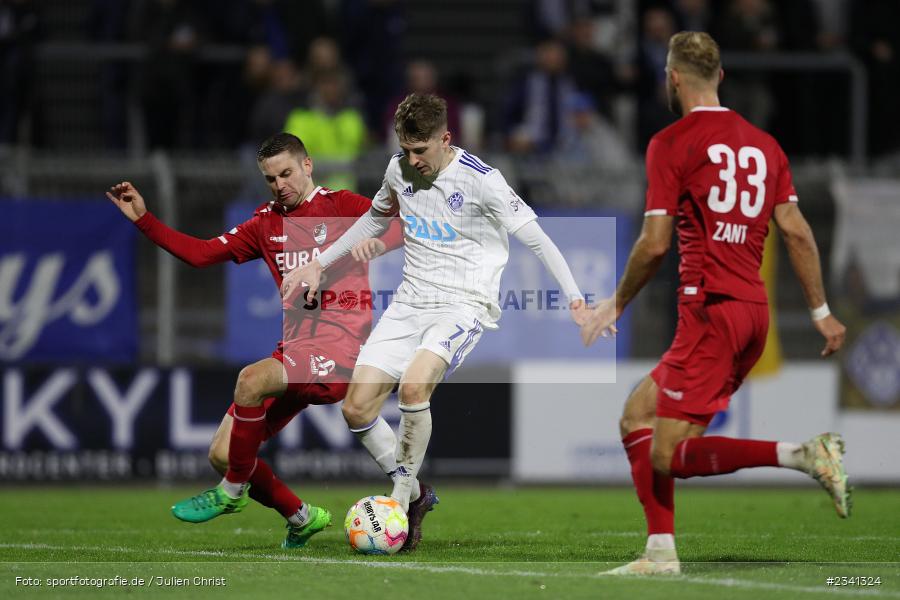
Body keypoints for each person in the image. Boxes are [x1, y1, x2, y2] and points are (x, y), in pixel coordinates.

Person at [580, 31, 850, 576]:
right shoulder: (765, 145)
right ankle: (660, 552)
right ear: (720, 77)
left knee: (665, 453)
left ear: (672, 79)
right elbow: (796, 232)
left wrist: (616, 302)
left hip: (710, 311)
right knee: (638, 416)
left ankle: (802, 455)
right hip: (752, 313)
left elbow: (655, 243)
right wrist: (821, 312)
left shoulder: (671, 143)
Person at [283, 93, 593, 550]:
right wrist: (319, 264)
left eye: (421, 150)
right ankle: (414, 493)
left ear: (445, 139)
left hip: (464, 303)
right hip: (409, 303)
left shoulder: (482, 181)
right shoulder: (398, 169)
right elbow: (373, 220)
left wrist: (575, 299)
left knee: (413, 387)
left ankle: (401, 498)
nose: (412, 160)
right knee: (356, 409)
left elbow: (538, 239)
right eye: (405, 150)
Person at [105, 132, 400, 548]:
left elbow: (401, 225)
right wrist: (144, 220)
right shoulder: (266, 223)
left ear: (307, 166)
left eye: (286, 173)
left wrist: (376, 241)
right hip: (295, 353)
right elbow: (201, 254)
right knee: (223, 453)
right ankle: (301, 517)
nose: (280, 184)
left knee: (250, 380)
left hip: (340, 354)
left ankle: (231, 493)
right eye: (270, 178)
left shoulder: (342, 205)